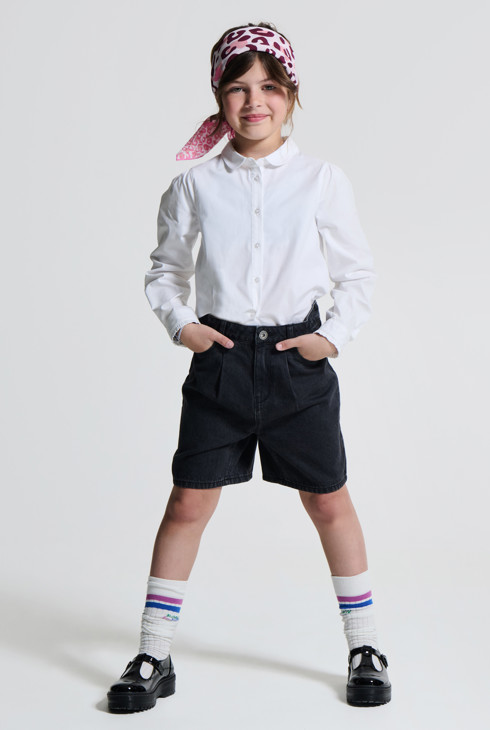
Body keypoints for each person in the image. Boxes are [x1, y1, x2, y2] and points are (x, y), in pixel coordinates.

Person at [107, 21, 391, 714]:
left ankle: (365, 647)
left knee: (329, 500)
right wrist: (184, 327)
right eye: (237, 88)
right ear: (218, 97)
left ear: (291, 96)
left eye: (269, 87)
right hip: (223, 364)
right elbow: (166, 270)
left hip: (298, 365)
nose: (254, 101)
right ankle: (153, 653)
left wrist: (331, 338)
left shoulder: (322, 181)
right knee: (187, 502)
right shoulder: (195, 185)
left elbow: (357, 275)